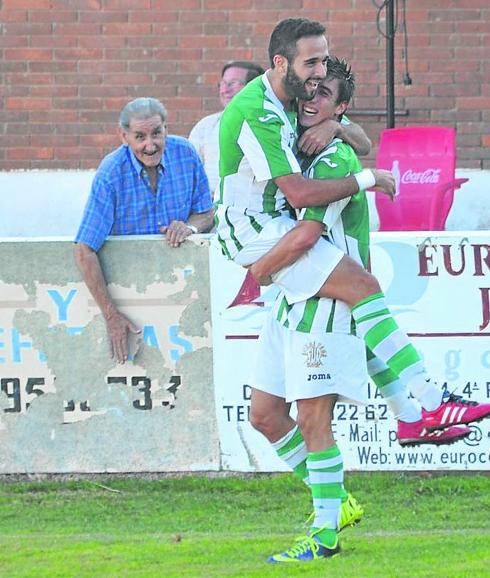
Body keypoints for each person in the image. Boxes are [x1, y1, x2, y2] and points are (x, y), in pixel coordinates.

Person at [249, 57, 473, 565]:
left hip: (325, 295)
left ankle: (325, 531)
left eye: (324, 93)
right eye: (307, 90)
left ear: (342, 104)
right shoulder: (295, 132)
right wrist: (339, 126)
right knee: (263, 414)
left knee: (312, 420)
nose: (310, 99)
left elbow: (307, 233)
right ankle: (411, 415)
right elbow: (363, 140)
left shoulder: (331, 157)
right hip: (292, 295)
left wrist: (257, 270)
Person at [74, 97, 214, 364]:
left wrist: (189, 227)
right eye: (140, 137)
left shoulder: (186, 153)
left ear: (166, 128)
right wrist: (111, 316)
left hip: (183, 294)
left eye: (156, 134)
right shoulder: (111, 173)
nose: (150, 145)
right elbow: (84, 249)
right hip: (129, 295)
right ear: (123, 136)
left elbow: (206, 213)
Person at [189, 60, 265, 194]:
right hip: (208, 205)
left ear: (252, 88)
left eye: (232, 84)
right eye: (222, 84)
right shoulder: (206, 126)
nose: (225, 90)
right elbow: (189, 172)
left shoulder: (267, 125)